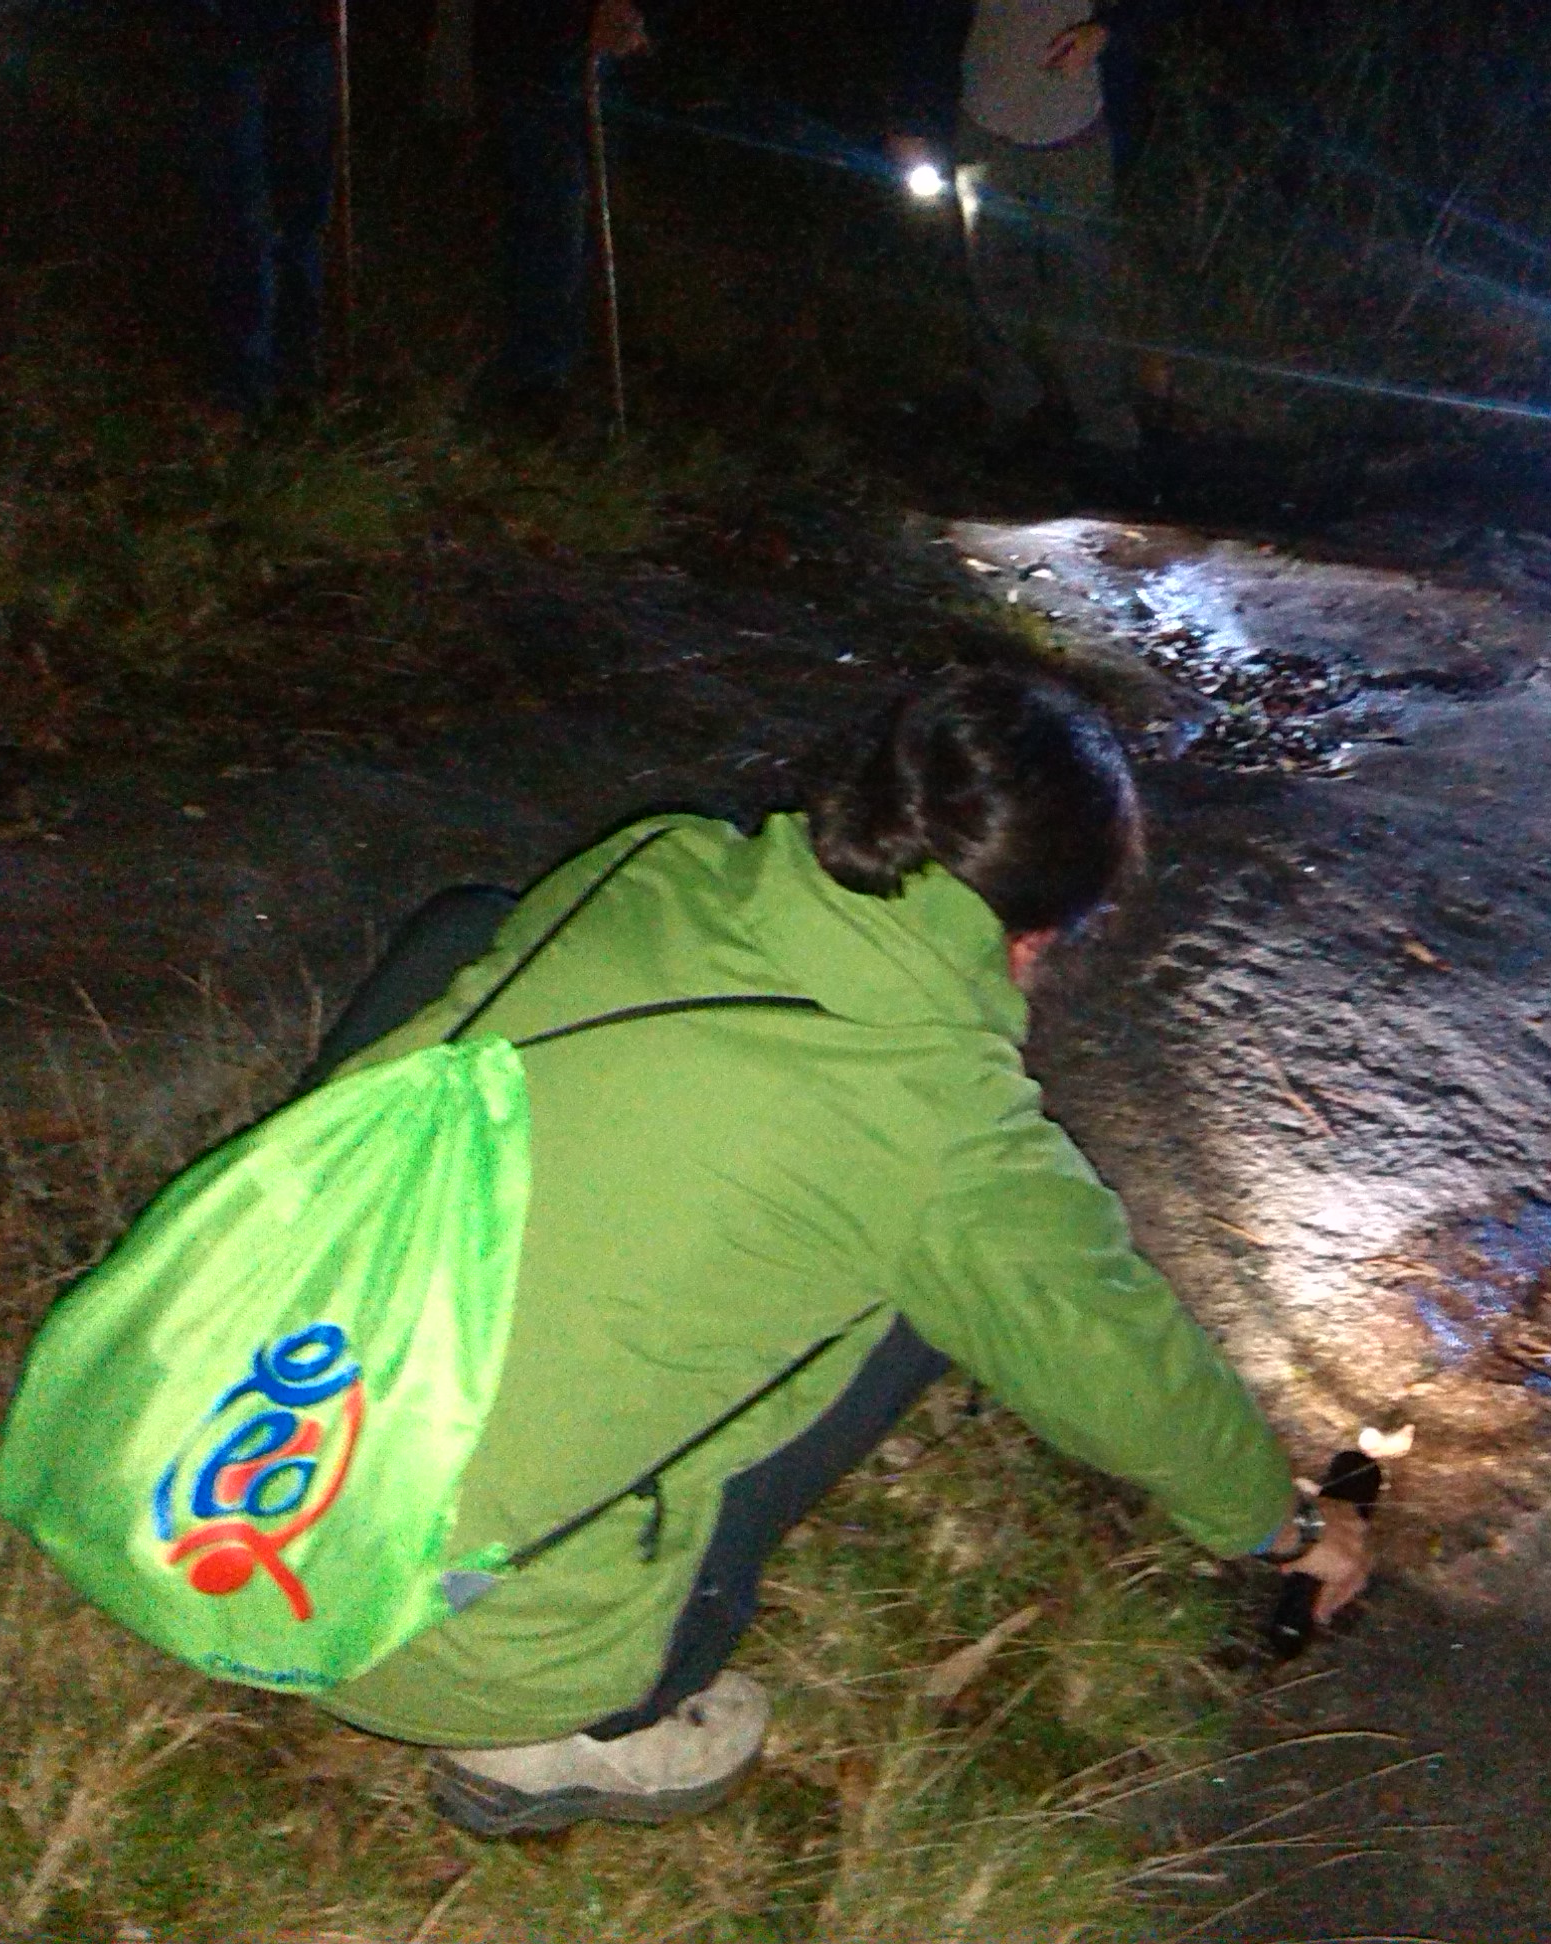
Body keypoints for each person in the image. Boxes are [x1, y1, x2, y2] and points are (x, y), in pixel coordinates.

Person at [309, 670, 1369, 1834]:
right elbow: (1118, 1358)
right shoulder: (946, 1124)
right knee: (931, 1290)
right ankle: (546, 1737)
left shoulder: (656, 858)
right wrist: (1293, 1528)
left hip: (214, 1469)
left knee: (476, 930)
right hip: (423, 1644)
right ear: (1034, 939)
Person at [887, 0, 1177, 457]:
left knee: (1084, 286)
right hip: (985, 130)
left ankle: (1108, 430)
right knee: (993, 279)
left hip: (1079, 136)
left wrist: (1106, 30)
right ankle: (1011, 410)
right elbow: (925, 21)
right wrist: (910, 120)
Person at [468, 0, 650, 425]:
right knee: (552, 213)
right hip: (539, 53)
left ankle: (573, 361)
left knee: (586, 213)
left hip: (599, 53)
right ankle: (537, 380)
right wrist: (580, 17)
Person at [192, 0, 339, 418]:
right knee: (245, 215)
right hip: (232, 39)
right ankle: (247, 384)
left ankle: (299, 369)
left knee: (305, 212)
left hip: (307, 36)